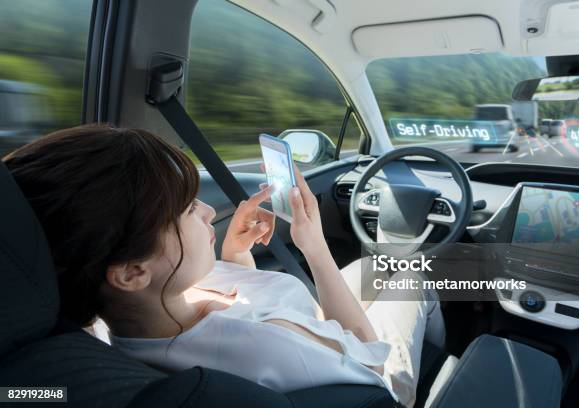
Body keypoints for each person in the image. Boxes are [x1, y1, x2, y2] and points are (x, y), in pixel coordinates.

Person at [2, 124, 444, 407]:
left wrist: (235, 259)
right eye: (186, 210)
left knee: (366, 273)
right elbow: (368, 356)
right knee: (410, 272)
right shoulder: (266, 346)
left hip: (320, 351)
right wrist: (314, 248)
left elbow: (231, 313)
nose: (209, 213)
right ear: (131, 273)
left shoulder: (108, 328)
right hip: (378, 384)